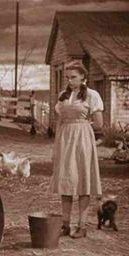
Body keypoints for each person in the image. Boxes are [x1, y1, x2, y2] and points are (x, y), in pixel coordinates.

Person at [50, 61, 103, 239]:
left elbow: (99, 123)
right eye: (67, 77)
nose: (70, 81)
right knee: (66, 180)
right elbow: (59, 121)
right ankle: (65, 224)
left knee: (82, 181)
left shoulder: (91, 95)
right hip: (65, 138)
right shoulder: (63, 96)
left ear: (83, 77)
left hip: (82, 139)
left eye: (73, 77)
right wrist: (57, 145)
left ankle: (82, 225)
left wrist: (82, 127)